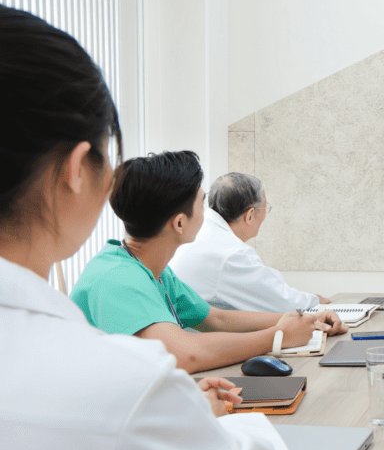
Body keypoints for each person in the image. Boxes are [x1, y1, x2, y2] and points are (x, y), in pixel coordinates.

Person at [0, 5, 305, 450]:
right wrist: (186, 411)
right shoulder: (124, 376)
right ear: (76, 170)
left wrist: (290, 324)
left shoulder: (149, 278)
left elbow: (213, 318)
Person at [71, 150, 347, 374]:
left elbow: (217, 318)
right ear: (180, 223)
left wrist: (304, 320)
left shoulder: (153, 271)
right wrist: (279, 336)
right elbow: (185, 354)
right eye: (202, 203)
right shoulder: (116, 280)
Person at [169, 172, 330, 312]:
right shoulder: (231, 253)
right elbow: (283, 304)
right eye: (265, 209)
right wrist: (316, 301)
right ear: (250, 215)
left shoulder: (202, 232)